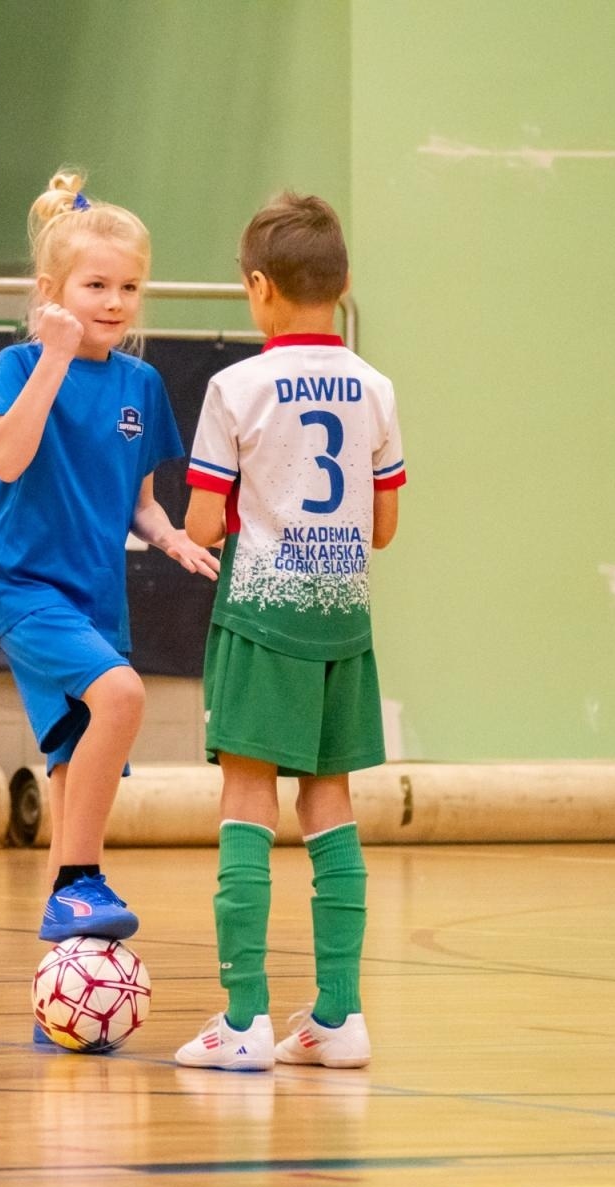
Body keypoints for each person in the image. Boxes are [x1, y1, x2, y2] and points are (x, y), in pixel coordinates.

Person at [0, 169, 218, 970]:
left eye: (129, 286)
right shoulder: (17, 367)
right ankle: (82, 874)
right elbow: (7, 458)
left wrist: (170, 535)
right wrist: (54, 358)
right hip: (28, 591)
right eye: (96, 284)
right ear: (52, 291)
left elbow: (138, 501)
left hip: (99, 600)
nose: (113, 301)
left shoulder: (141, 384)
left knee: (71, 778)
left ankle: (60, 973)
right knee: (124, 694)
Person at [174, 193, 404, 1071]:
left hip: (262, 618)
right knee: (331, 808)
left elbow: (200, 525)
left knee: (245, 804)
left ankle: (242, 1023)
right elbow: (384, 527)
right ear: (342, 289)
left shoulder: (235, 387)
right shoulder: (376, 386)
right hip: (344, 621)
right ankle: (340, 1016)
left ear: (260, 289)